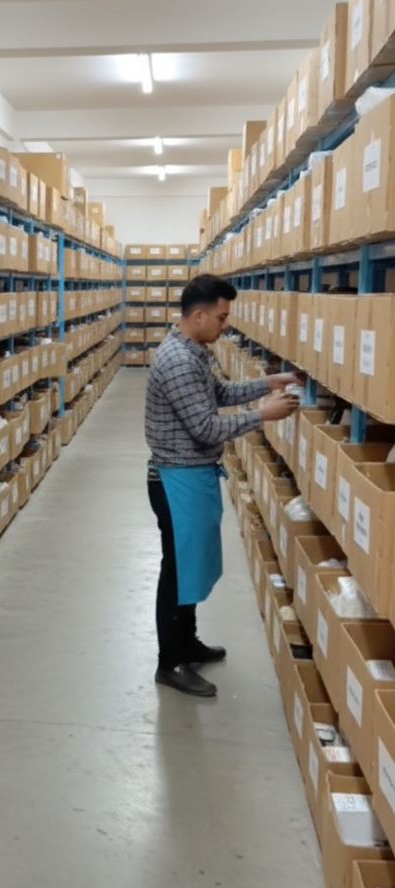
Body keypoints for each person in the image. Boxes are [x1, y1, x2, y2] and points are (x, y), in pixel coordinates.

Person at [145, 274, 300, 698]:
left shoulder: (194, 351)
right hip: (177, 481)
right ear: (198, 315)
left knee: (191, 567)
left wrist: (268, 384)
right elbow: (205, 427)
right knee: (178, 572)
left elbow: (219, 393)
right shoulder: (177, 361)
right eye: (222, 317)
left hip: (192, 476)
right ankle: (169, 663)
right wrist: (262, 415)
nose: (225, 325)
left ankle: (187, 643)